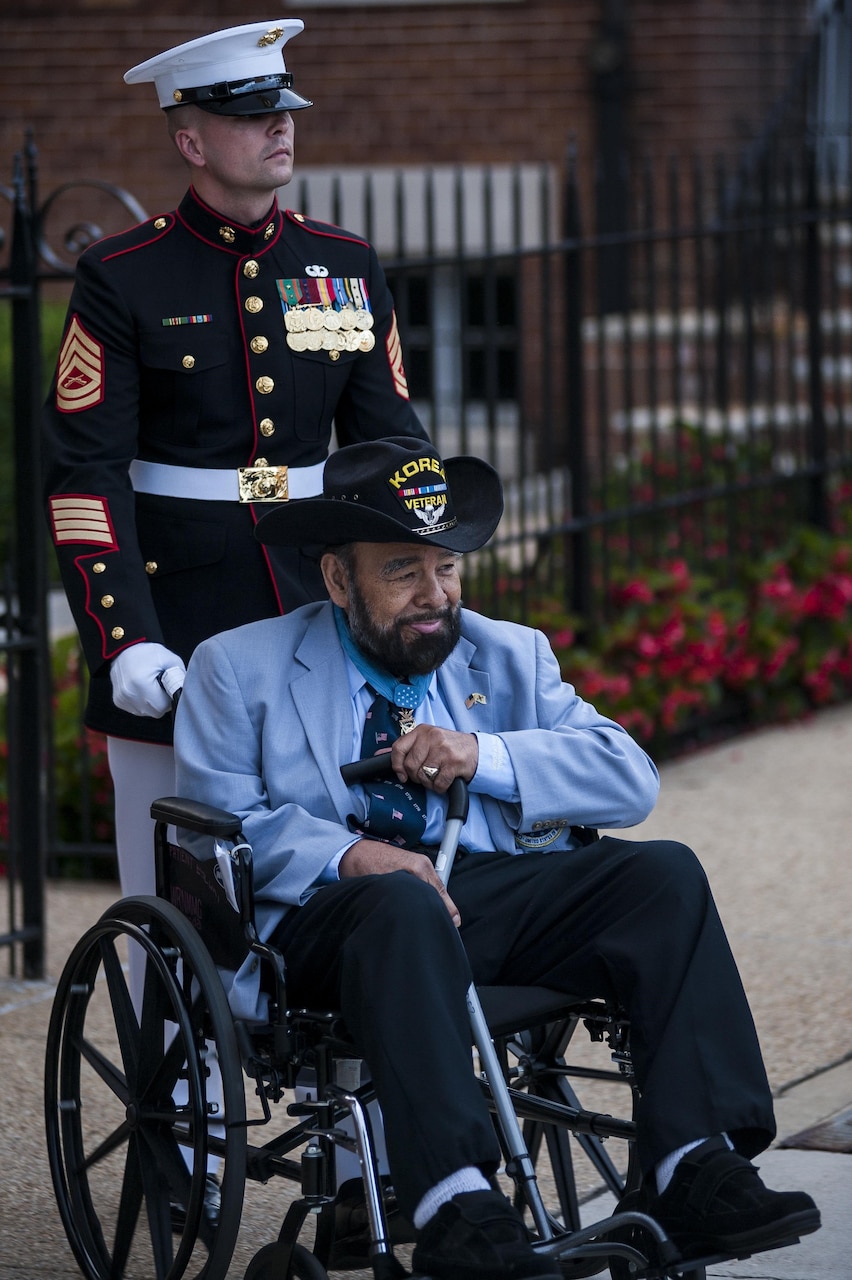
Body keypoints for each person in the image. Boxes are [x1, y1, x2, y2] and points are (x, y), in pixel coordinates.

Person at [173, 436, 820, 1280]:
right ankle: (456, 1206)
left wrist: (486, 753)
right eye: (402, 570)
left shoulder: (508, 653)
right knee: (401, 901)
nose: (434, 595)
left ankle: (691, 1165)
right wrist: (352, 854)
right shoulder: (238, 667)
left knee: (661, 874)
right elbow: (212, 831)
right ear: (338, 580)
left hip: (478, 896)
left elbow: (629, 778)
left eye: (447, 567)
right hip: (327, 925)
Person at [41, 19, 428, 916]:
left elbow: (394, 447)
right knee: (179, 894)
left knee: (336, 858)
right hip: (179, 609)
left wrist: (424, 577)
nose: (279, 127)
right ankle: (178, 1058)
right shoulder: (123, 275)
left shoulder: (343, 264)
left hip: (316, 600)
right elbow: (84, 476)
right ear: (190, 140)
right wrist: (124, 637)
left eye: (283, 109)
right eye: (252, 114)